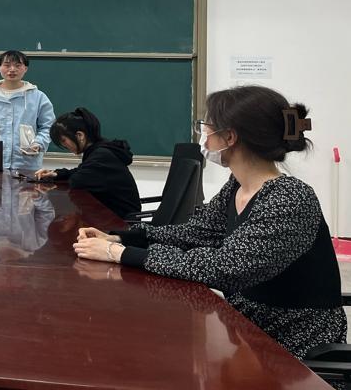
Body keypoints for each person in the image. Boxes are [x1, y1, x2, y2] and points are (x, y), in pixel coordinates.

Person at [73, 85, 346, 360]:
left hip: (293, 347)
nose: (202, 135)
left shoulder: (289, 198)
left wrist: (121, 254)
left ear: (230, 137)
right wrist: (121, 237)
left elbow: (225, 268)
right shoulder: (237, 186)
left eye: (206, 127)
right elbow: (197, 232)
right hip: (247, 333)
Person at [34, 107, 141, 219]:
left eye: (64, 140)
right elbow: (81, 171)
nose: (63, 145)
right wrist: (56, 174)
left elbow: (77, 181)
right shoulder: (98, 151)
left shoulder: (101, 156)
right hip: (108, 213)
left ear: (80, 135)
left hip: (121, 221)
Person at [0, 50, 55, 171]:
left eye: (17, 65)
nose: (12, 69)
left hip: (26, 163)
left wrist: (39, 143)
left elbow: (48, 126)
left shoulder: (38, 97)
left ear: (25, 68)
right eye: (7, 65)